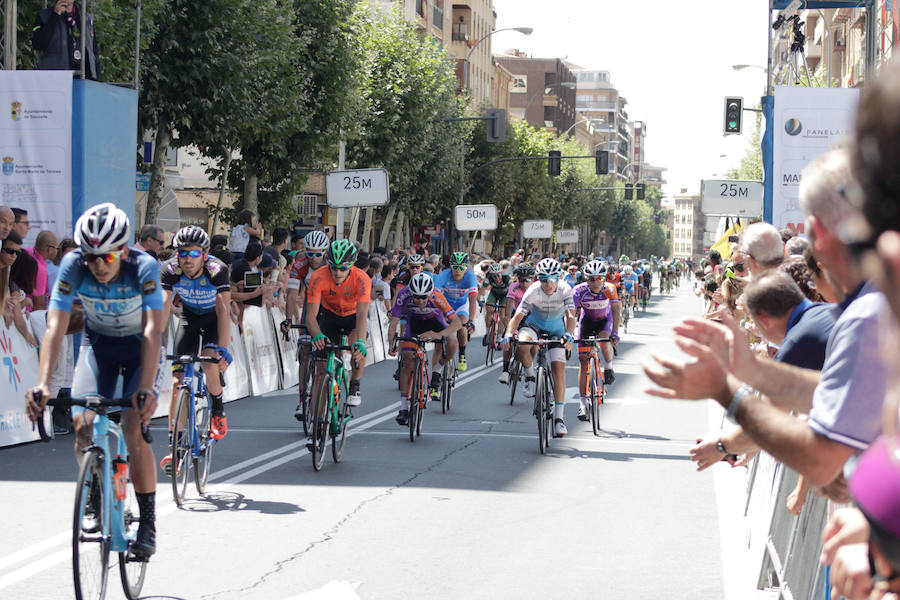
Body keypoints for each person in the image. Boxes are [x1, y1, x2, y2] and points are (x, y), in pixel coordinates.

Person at [644, 147, 888, 495]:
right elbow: (834, 396)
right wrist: (751, 373)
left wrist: (723, 392)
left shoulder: (864, 315)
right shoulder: (867, 307)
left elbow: (826, 461)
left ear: (817, 232)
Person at [25, 203, 164, 558]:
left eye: (106, 256)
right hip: (98, 346)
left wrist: (146, 388)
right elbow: (55, 327)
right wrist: (43, 384)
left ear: (123, 250)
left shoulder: (143, 266)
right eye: (91, 257)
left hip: (138, 350)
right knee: (82, 422)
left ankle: (147, 522)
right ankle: (98, 487)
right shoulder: (74, 266)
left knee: (133, 429)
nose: (98, 264)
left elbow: (152, 329)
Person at [158, 226, 232, 475]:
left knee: (210, 363)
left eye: (193, 254)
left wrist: (223, 349)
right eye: (182, 253)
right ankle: (175, 448)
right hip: (189, 318)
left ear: (205, 253)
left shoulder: (217, 270)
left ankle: (218, 412)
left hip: (212, 318)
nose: (187, 259)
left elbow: (223, 311)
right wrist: (156, 343)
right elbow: (163, 308)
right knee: (179, 384)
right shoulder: (169, 270)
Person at [501, 258, 576, 437]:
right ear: (538, 278)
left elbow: (571, 316)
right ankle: (530, 376)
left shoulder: (565, 289)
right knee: (522, 344)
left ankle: (559, 419)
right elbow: (518, 316)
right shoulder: (534, 290)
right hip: (534, 325)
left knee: (558, 370)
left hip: (557, 329)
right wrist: (508, 335)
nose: (547, 284)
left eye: (551, 279)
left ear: (558, 278)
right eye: (543, 279)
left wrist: (569, 335)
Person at [305, 240, 371, 411]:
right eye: (333, 267)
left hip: (353, 317)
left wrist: (361, 343)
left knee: (357, 348)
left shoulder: (362, 279)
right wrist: (317, 334)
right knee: (321, 372)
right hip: (330, 316)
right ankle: (318, 421)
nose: (337, 272)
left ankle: (355, 385)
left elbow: (363, 314)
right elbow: (310, 316)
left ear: (351, 265)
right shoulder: (318, 277)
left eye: (343, 268)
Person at [388, 273, 461, 425]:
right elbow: (394, 321)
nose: (420, 301)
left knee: (452, 343)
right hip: (414, 324)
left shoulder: (437, 296)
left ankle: (437, 371)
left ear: (429, 293)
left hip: (435, 323)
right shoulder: (404, 295)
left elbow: (456, 323)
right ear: (412, 293)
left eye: (424, 297)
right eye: (417, 297)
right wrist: (391, 344)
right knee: (407, 359)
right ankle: (403, 408)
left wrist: (437, 334)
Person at [572, 261, 619, 420]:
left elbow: (616, 310)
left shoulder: (610, 289)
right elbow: (571, 313)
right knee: (583, 361)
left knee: (605, 341)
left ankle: (608, 366)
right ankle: (582, 404)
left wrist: (615, 332)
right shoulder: (579, 290)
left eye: (599, 278)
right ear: (586, 279)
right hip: (586, 322)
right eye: (591, 279)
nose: (595, 282)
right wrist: (567, 332)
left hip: (604, 322)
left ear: (604, 278)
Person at [31, 0, 100, 80]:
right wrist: (55, 15)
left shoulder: (86, 17)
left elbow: (93, 51)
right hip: (57, 79)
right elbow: (38, 44)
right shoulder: (43, 16)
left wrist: (97, 78)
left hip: (85, 79)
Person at [433, 252, 478, 372]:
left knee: (462, 326)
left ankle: (462, 355)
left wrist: (471, 320)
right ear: (450, 267)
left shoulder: (470, 276)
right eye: (455, 267)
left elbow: (473, 300)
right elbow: (434, 297)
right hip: (446, 306)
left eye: (461, 268)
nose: (458, 271)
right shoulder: (443, 275)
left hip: (461, 306)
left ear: (466, 268)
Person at [26, 230, 59, 311]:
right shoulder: (40, 271)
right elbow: (39, 306)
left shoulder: (27, 251)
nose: (57, 251)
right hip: (27, 315)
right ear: (50, 249)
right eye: (57, 248)